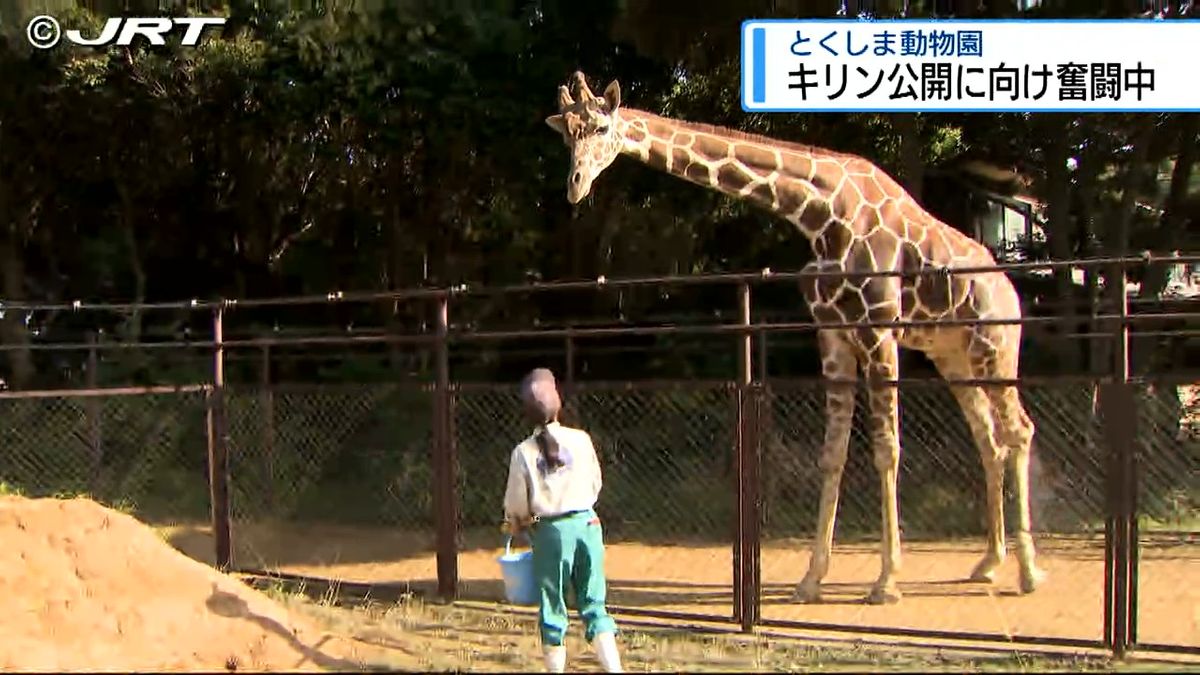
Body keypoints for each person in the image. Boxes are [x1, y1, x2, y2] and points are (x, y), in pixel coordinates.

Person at [503, 368, 623, 673]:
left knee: (553, 607)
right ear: (558, 402)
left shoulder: (522, 452)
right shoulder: (581, 439)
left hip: (550, 532)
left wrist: (516, 522)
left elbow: (516, 503)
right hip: (588, 525)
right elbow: (595, 483)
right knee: (594, 605)